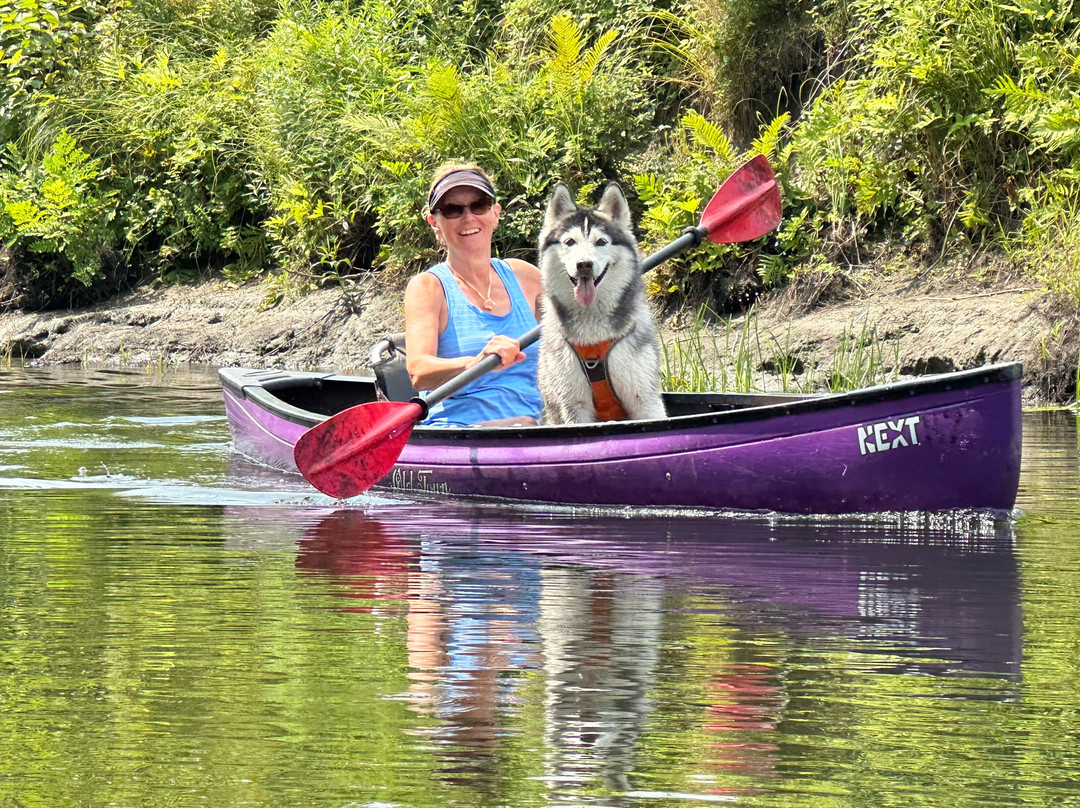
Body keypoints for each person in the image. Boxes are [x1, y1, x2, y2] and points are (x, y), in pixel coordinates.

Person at [403, 163, 543, 427]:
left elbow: (576, 339)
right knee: (524, 426)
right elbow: (418, 372)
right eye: (453, 210)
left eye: (479, 205)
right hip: (464, 432)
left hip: (541, 426)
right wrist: (475, 363)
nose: (468, 217)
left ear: (495, 213)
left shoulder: (527, 276)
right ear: (435, 222)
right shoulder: (428, 288)